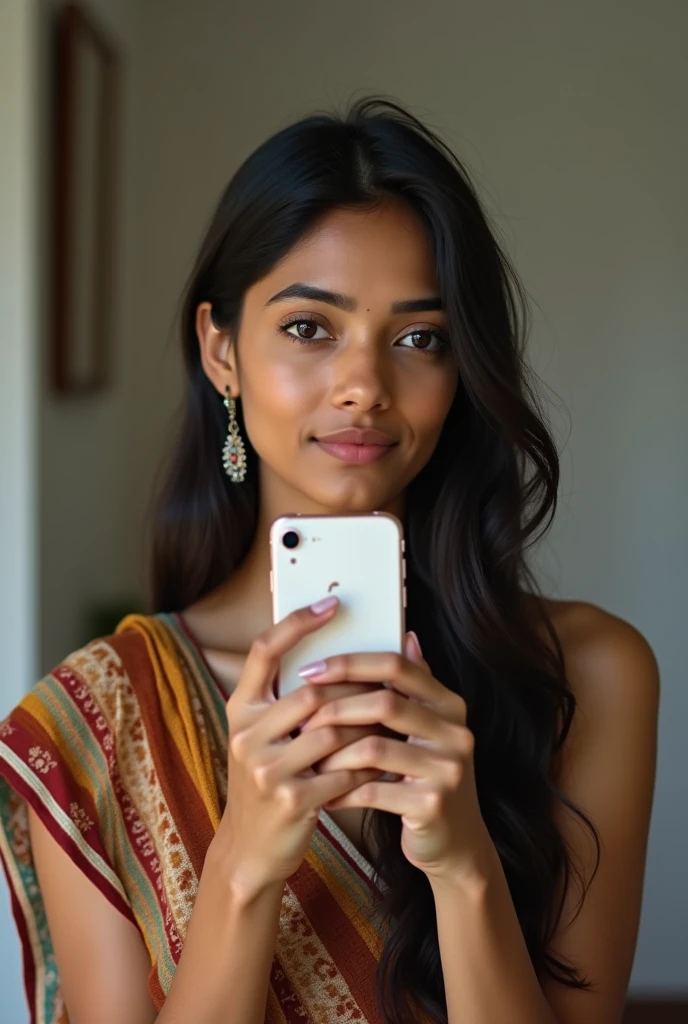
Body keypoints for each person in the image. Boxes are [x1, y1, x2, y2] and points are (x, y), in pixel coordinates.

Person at [0, 96, 659, 1024]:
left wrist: (464, 866)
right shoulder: (102, 719)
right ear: (220, 350)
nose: (364, 385)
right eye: (310, 328)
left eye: (419, 338)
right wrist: (241, 870)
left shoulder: (587, 676)